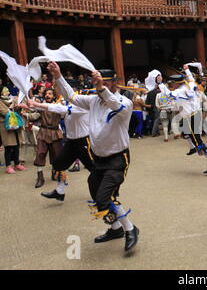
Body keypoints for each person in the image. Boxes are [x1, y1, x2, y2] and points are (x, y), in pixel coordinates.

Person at [48, 62, 139, 252]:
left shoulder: (124, 102)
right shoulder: (92, 101)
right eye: (98, 83)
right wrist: (58, 76)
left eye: (105, 84)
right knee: (95, 192)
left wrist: (102, 89)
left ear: (115, 84)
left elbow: (115, 105)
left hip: (118, 159)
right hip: (99, 158)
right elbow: (70, 96)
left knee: (106, 197)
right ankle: (115, 228)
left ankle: (130, 229)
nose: (100, 88)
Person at [23, 80, 93, 202]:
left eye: (69, 91)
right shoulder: (66, 102)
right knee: (58, 163)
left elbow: (59, 108)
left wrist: (36, 104)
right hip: (71, 141)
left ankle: (102, 193)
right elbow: (57, 107)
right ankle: (60, 192)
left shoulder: (81, 105)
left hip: (83, 141)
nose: (65, 93)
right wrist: (34, 105)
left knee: (94, 169)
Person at [156, 64, 207, 174]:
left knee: (198, 141)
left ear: (176, 83)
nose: (172, 85)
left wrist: (160, 83)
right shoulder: (191, 84)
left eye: (173, 83)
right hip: (194, 115)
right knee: (185, 132)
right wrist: (187, 70)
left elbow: (168, 94)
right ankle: (192, 148)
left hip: (191, 118)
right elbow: (191, 78)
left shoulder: (179, 91)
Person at [25, 88, 64, 188]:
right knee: (40, 154)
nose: (48, 95)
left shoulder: (59, 106)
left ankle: (55, 172)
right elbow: (34, 113)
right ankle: (40, 177)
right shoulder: (41, 106)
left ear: (53, 96)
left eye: (50, 94)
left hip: (55, 133)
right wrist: (26, 114)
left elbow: (65, 113)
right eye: (46, 93)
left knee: (56, 155)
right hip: (43, 132)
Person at [0, 87, 26, 174]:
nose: (7, 92)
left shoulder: (12, 100)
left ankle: (17, 164)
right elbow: (4, 112)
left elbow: (17, 111)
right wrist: (11, 108)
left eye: (8, 90)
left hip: (15, 125)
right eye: (5, 91)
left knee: (16, 145)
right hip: (6, 126)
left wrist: (18, 106)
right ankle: (8, 166)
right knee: (8, 146)